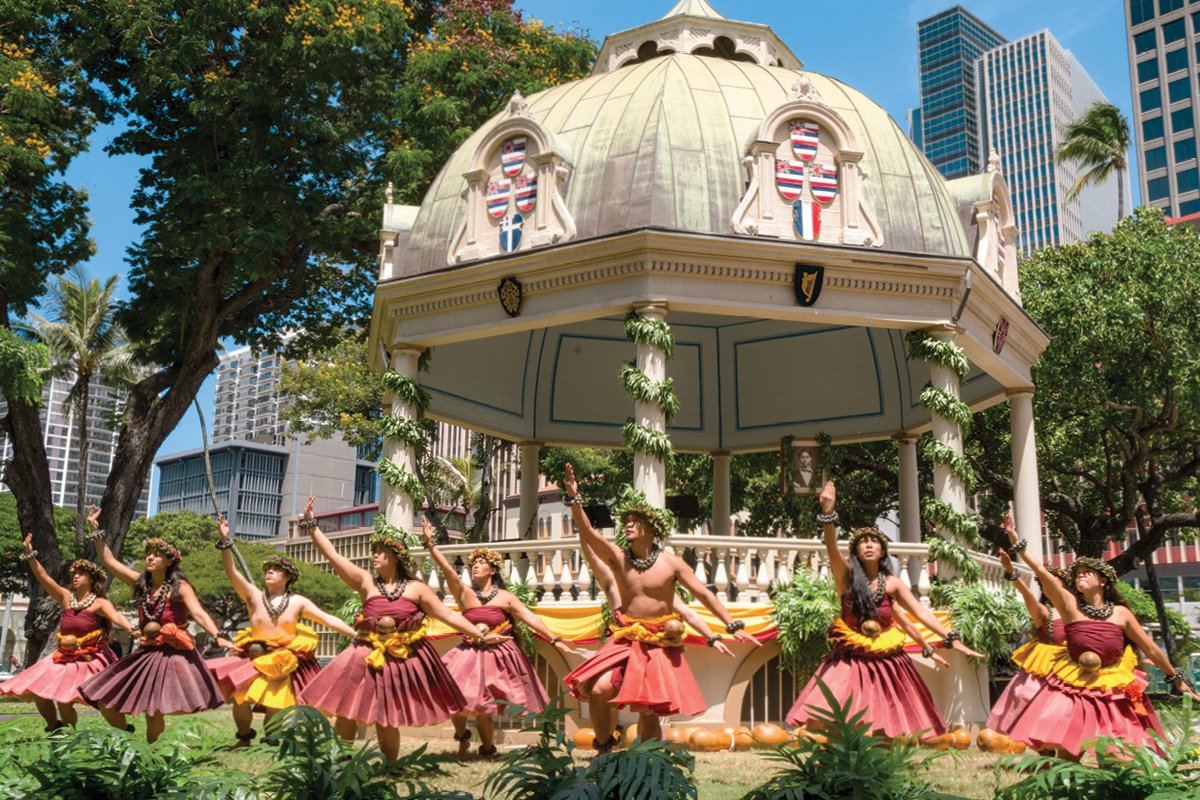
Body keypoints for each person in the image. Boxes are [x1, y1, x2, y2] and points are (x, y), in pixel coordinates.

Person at [560, 464, 760, 751]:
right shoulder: (618, 558)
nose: (628, 525)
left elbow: (703, 594)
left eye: (635, 521)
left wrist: (731, 625)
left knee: (649, 709)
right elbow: (589, 533)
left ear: (651, 529)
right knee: (600, 689)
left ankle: (649, 759)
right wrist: (574, 498)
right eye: (626, 520)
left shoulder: (671, 564)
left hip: (657, 643)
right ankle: (604, 746)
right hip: (626, 639)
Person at [296, 497, 509, 760]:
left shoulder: (417, 589)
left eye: (381, 552)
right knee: (347, 710)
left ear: (396, 558)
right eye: (374, 552)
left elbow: (448, 616)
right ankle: (341, 764)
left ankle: (390, 766)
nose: (375, 556)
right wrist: (312, 525)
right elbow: (332, 555)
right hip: (363, 654)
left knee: (386, 717)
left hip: (398, 659)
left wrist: (482, 634)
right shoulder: (365, 582)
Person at [785, 481, 983, 739]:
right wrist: (828, 514)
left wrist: (949, 638)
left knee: (884, 724)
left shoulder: (893, 583)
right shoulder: (845, 576)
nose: (868, 545)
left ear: (882, 551)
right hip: (850, 659)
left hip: (887, 662)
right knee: (826, 719)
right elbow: (831, 547)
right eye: (863, 542)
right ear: (855, 550)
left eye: (874, 542)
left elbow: (920, 614)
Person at [1001, 513, 1197, 757]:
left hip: (1112, 686)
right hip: (1075, 686)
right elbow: (1042, 571)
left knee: (1118, 755)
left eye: (1087, 572)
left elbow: (1152, 649)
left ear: (1103, 580)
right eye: (1077, 572)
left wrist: (1175, 677)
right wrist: (1017, 543)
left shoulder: (1121, 614)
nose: (1080, 575)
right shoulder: (1069, 607)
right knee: (1068, 754)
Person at [420, 518, 574, 759]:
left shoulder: (505, 597)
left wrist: (553, 638)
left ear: (493, 570)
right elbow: (448, 571)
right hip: (468, 653)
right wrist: (431, 545)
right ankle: (463, 738)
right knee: (452, 695)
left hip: (498, 654)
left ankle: (488, 748)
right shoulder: (465, 594)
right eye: (474, 564)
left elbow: (529, 618)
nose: (475, 567)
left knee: (483, 705)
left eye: (481, 563)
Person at [79, 506, 232, 743]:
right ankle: (126, 738)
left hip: (174, 653)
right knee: (104, 698)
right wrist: (95, 530)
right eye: (148, 553)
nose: (150, 557)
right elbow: (109, 562)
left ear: (170, 560)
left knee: (154, 709)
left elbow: (199, 614)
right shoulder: (142, 584)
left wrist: (218, 634)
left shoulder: (181, 587)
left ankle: (152, 750)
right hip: (146, 651)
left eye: (157, 554)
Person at [205, 515, 357, 746]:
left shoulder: (298, 602)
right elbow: (232, 573)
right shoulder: (253, 596)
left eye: (276, 570)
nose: (270, 572)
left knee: (275, 702)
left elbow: (329, 620)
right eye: (268, 569)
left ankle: (272, 739)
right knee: (239, 698)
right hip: (254, 655)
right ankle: (244, 737)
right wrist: (225, 542)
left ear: (287, 577)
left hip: (283, 660)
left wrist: (357, 635)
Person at [0, 533, 134, 732]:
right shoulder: (66, 597)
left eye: (81, 574)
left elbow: (116, 617)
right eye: (74, 574)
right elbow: (44, 578)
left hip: (92, 657)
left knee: (102, 698)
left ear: (92, 579)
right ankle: (58, 729)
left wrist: (133, 629)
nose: (76, 577)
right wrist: (30, 554)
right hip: (64, 657)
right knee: (41, 691)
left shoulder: (99, 602)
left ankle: (124, 732)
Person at [982, 550, 1068, 747]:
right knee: (1028, 698)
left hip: (1072, 665)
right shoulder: (1043, 612)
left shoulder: (1079, 611)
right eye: (1045, 584)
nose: (1049, 587)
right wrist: (1011, 571)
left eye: (1053, 582)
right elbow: (1026, 594)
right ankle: (1041, 749)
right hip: (1045, 665)